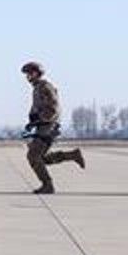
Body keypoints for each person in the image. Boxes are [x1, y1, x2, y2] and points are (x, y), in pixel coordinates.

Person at [20, 62, 85, 194]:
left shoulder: (45, 87)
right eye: (27, 74)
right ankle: (72, 155)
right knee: (41, 159)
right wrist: (32, 122)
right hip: (42, 127)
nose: (28, 77)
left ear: (37, 73)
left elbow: (54, 108)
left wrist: (40, 120)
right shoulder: (37, 88)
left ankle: (48, 185)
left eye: (30, 73)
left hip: (48, 127)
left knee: (33, 156)